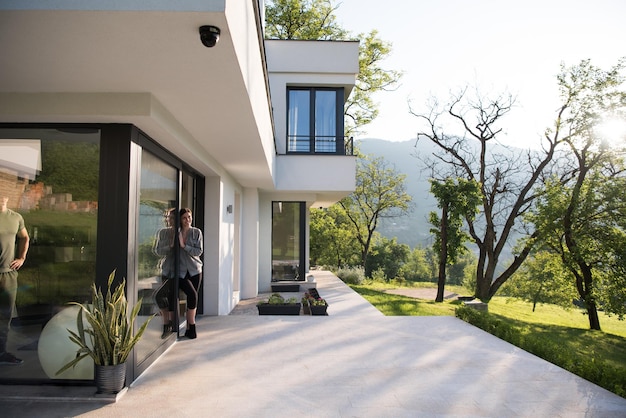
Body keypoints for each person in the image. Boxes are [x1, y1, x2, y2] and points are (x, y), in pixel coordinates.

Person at [0, 196, 30, 365]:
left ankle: (1, 352)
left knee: (5, 315)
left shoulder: (16, 217)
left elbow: (25, 237)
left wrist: (22, 257)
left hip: (8, 274)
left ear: (7, 198)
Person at [177, 208, 203, 339]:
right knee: (192, 294)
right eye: (184, 218)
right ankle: (192, 326)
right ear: (180, 220)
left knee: (191, 299)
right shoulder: (177, 233)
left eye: (189, 217)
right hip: (181, 272)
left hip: (195, 270)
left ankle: (188, 328)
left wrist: (184, 245)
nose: (187, 220)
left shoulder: (196, 232)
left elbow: (198, 251)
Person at [153, 208, 176, 339]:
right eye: (168, 217)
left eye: (172, 217)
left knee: (168, 297)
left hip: (180, 272)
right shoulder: (163, 233)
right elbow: (158, 251)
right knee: (162, 297)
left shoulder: (182, 232)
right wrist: (170, 246)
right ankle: (168, 324)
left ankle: (169, 325)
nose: (169, 220)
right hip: (167, 270)